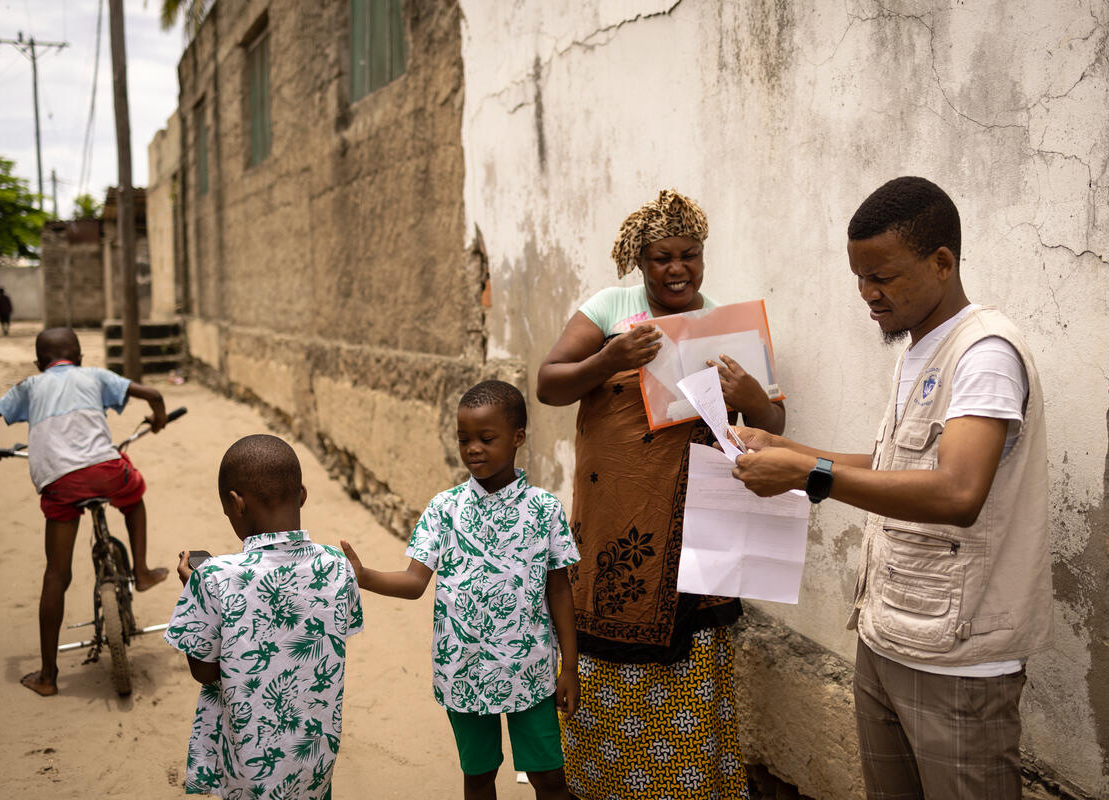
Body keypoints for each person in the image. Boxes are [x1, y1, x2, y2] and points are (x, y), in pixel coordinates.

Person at [731, 176, 1051, 799]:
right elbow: (889, 468)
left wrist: (806, 476)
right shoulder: (918, 348)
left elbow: (958, 494)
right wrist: (786, 448)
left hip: (957, 660)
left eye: (883, 276)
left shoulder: (983, 354)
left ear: (942, 262)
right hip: (890, 636)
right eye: (858, 277)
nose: (867, 294)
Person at [536, 189, 786, 800]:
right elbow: (548, 384)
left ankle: (689, 785)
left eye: (690, 256)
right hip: (615, 522)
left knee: (693, 653)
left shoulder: (725, 324)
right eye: (662, 258)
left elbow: (771, 429)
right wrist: (610, 359)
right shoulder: (609, 307)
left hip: (695, 525)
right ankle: (606, 784)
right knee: (606, 649)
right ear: (639, 262)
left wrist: (751, 392)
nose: (678, 269)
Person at [340, 380, 580, 800]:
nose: (473, 448)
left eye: (486, 439)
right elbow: (415, 583)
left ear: (518, 437)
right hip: (464, 672)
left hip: (531, 670)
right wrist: (365, 576)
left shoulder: (544, 510)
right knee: (479, 778)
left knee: (549, 779)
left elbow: (559, 592)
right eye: (463, 439)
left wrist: (571, 668)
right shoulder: (444, 509)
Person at [166, 434, 364, 799]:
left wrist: (193, 591)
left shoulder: (213, 577)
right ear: (302, 494)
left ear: (235, 503)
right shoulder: (337, 565)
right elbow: (335, 633)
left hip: (248, 772)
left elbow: (205, 671)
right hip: (315, 761)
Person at [0, 327, 170, 696]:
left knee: (56, 574)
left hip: (60, 483)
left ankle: (48, 677)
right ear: (80, 357)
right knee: (134, 495)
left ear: (39, 363)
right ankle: (143, 571)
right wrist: (159, 418)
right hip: (106, 471)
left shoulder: (28, 387)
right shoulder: (94, 375)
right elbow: (155, 394)